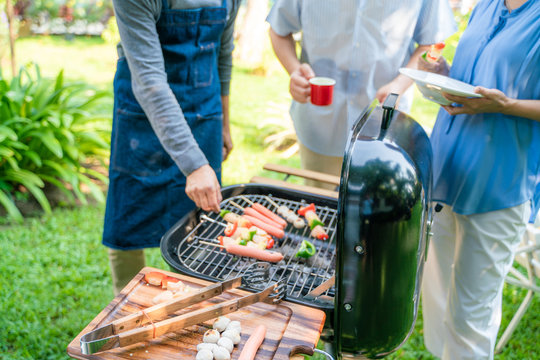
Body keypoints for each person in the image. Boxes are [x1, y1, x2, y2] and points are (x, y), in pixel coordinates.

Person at [420, 0, 540, 358]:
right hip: (448, 168)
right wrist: (445, 72)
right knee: (438, 302)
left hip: (499, 182)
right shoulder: (486, 4)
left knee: (470, 318)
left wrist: (507, 107)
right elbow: (480, 82)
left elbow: (500, 97)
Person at [102, 0, 240, 295]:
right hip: (142, 116)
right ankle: (126, 314)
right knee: (129, 218)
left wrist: (225, 122)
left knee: (203, 225)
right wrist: (194, 164)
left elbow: (223, 55)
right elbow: (150, 81)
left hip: (204, 111)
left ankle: (193, 308)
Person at [266, 0, 456, 189]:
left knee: (373, 211)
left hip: (383, 128)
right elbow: (278, 28)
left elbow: (432, 43)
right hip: (320, 126)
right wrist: (294, 70)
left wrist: (399, 85)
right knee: (319, 207)